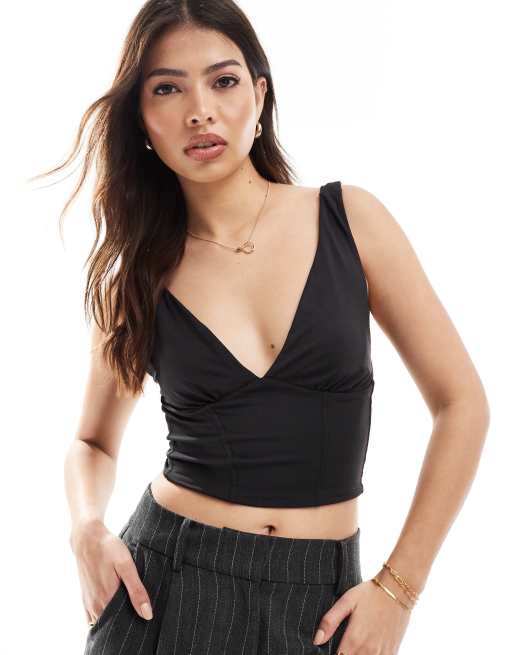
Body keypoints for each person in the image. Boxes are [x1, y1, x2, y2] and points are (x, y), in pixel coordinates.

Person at [33, 1, 488, 653]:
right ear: (141, 120)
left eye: (222, 80)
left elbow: (461, 403)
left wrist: (399, 589)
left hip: (323, 604)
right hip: (166, 591)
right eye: (167, 89)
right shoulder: (137, 275)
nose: (200, 111)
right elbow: (92, 442)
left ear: (260, 94)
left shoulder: (349, 221)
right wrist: (86, 527)